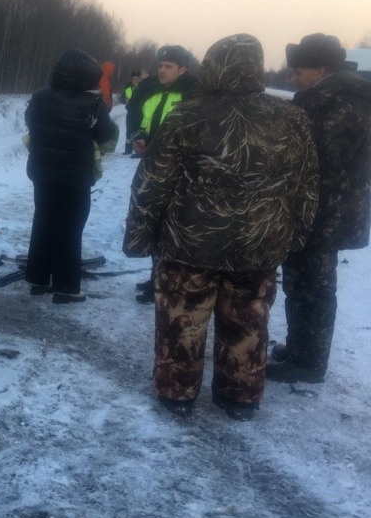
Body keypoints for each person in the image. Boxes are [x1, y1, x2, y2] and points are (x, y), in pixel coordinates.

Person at [123, 34, 318, 420]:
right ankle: (239, 396)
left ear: (212, 65)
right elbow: (306, 185)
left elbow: (153, 182)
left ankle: (177, 393)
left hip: (188, 245)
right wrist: (295, 235)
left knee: (182, 322)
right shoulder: (291, 118)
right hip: (258, 245)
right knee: (248, 323)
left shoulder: (189, 115)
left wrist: (139, 236)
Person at [266, 34, 371, 384]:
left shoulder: (329, 103)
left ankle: (308, 362)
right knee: (310, 284)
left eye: (299, 71)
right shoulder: (354, 96)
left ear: (321, 69)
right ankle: (301, 349)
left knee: (310, 286)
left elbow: (312, 163)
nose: (293, 77)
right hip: (338, 209)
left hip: (318, 212)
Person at [24, 49, 118, 303]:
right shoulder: (92, 104)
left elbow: (31, 124)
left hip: (42, 173)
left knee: (43, 221)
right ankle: (66, 288)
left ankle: (38, 279)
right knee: (70, 227)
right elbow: (105, 135)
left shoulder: (39, 97)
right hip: (75, 177)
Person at [125, 45, 199, 302]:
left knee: (175, 225)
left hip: (180, 171)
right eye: (160, 65)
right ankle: (156, 278)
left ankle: (171, 283)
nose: (162, 70)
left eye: (169, 66)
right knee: (152, 222)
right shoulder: (148, 88)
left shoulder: (193, 93)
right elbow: (134, 112)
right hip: (151, 164)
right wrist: (137, 134)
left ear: (183, 69)